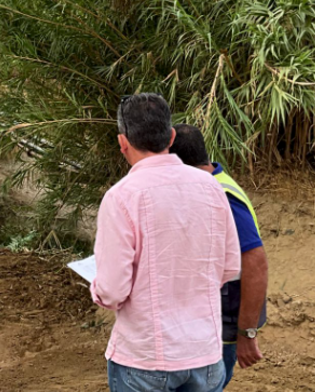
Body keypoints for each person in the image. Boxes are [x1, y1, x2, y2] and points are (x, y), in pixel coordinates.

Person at [91, 93, 241, 392]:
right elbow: (230, 267)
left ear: (123, 142)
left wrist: (98, 289)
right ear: (171, 136)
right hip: (205, 353)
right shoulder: (211, 187)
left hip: (145, 357)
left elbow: (112, 290)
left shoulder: (121, 197)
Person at [169, 124, 268, 388]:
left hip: (223, 325)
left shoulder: (223, 197)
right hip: (209, 322)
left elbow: (256, 264)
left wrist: (247, 332)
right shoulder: (210, 185)